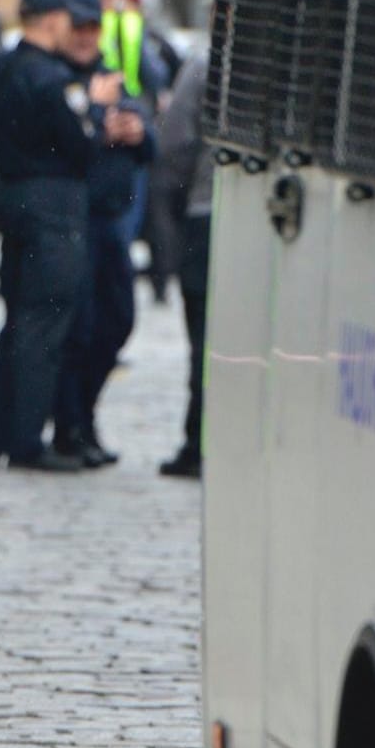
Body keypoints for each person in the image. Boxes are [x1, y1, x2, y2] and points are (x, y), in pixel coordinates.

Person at [0, 0, 116, 472]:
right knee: (45, 324)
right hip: (56, 207)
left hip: (14, 200)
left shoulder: (0, 70)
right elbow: (82, 144)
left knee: (16, 322)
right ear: (52, 21)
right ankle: (28, 440)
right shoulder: (54, 80)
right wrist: (96, 112)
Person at [51, 0, 156, 467]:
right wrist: (97, 119)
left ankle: (84, 416)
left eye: (93, 28)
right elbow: (67, 142)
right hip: (76, 220)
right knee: (80, 327)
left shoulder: (111, 78)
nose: (86, 37)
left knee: (118, 321)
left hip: (113, 220)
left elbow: (149, 139)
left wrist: (136, 131)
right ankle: (71, 426)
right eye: (78, 27)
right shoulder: (59, 79)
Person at [160, 43, 212, 479]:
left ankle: (199, 443)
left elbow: (175, 141)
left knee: (206, 340)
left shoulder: (205, 63)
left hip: (207, 216)